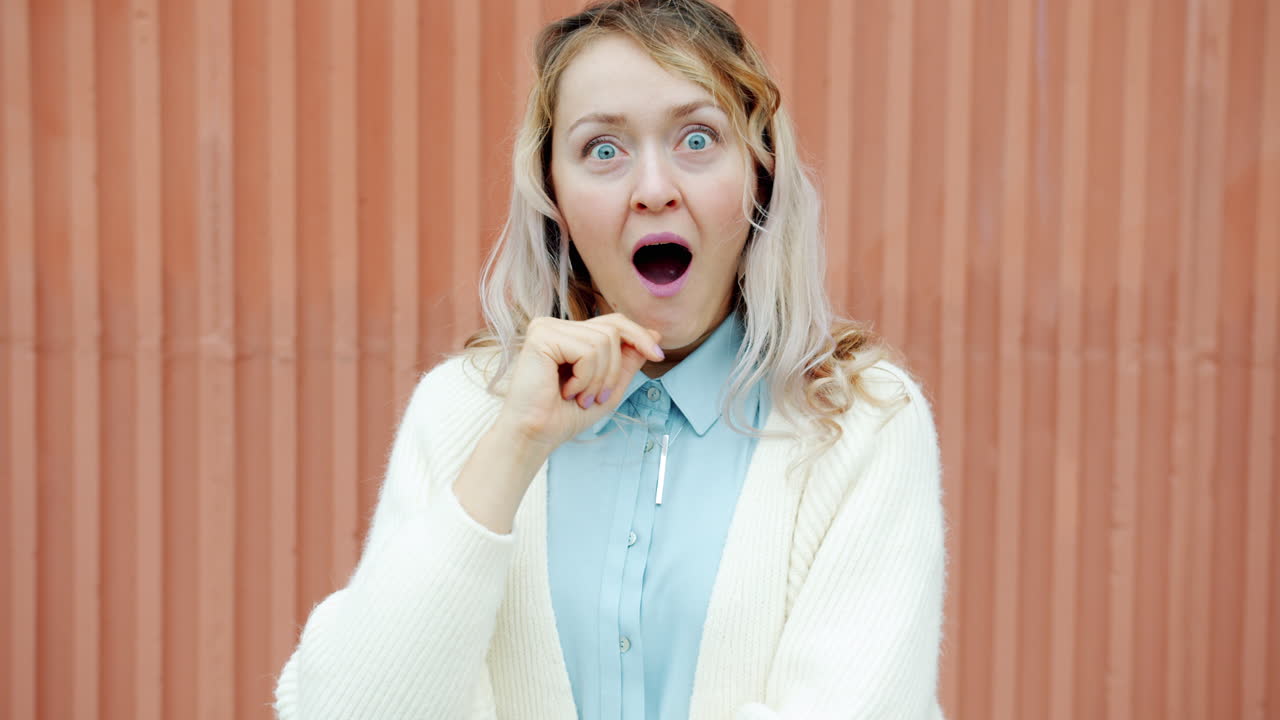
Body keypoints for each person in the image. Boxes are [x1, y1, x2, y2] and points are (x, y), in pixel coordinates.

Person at [273, 0, 947, 718]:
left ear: (760, 172)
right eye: (603, 150)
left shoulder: (860, 422)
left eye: (697, 139)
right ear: (554, 194)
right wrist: (514, 445)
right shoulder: (466, 412)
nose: (654, 190)